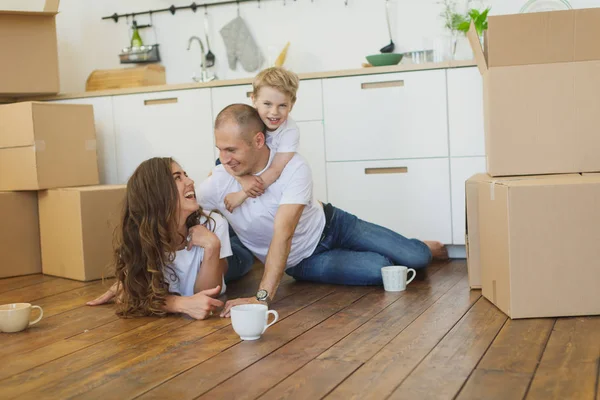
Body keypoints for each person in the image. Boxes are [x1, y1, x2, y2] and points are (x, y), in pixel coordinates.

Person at [198, 104, 448, 318]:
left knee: (417, 258)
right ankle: (392, 250)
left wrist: (262, 298)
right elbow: (180, 207)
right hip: (304, 260)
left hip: (334, 225)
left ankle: (412, 246)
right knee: (380, 268)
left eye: (232, 150)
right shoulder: (217, 183)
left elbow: (283, 233)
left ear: (258, 140)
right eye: (220, 149)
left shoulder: (294, 167)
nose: (225, 158)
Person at [86, 157, 255, 320]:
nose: (190, 181)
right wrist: (178, 303)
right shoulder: (138, 235)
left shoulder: (214, 224)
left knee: (248, 244)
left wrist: (213, 246)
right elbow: (138, 298)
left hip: (230, 262)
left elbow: (208, 294)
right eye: (177, 178)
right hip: (209, 242)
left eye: (185, 174)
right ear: (156, 192)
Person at [220, 67, 302, 213]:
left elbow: (275, 170)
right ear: (254, 100)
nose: (274, 112)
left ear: (292, 104)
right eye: (267, 104)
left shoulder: (290, 131)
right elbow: (226, 155)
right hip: (246, 164)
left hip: (268, 170)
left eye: (282, 105)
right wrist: (243, 180)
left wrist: (242, 194)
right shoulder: (249, 120)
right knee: (218, 165)